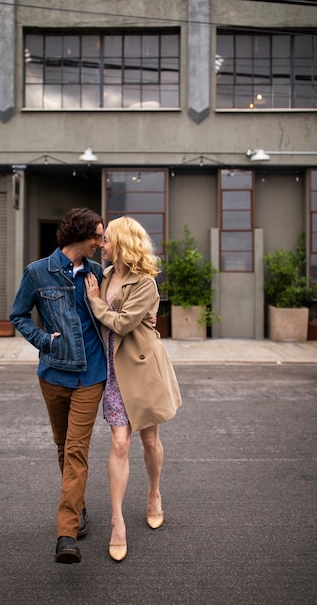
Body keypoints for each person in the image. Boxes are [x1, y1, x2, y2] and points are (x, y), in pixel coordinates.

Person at [10, 207, 107, 565]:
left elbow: (115, 310)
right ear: (81, 236)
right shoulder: (38, 273)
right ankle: (78, 506)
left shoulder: (98, 273)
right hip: (53, 374)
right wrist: (43, 340)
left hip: (91, 375)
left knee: (76, 451)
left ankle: (66, 533)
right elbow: (18, 315)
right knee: (63, 445)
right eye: (97, 236)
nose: (101, 242)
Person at [85, 216, 182, 562]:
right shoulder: (106, 275)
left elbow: (124, 324)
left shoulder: (146, 284)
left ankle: (154, 493)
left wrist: (97, 303)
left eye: (107, 239)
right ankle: (117, 521)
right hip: (112, 369)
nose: (102, 244)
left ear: (123, 242)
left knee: (150, 440)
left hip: (140, 368)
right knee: (120, 443)